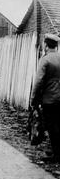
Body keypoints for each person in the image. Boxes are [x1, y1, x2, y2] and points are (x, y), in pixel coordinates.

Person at [31, 34, 60, 163]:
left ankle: (56, 155)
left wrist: (34, 99)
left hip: (49, 99)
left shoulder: (45, 59)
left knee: (52, 126)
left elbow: (38, 82)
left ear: (46, 45)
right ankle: (56, 150)